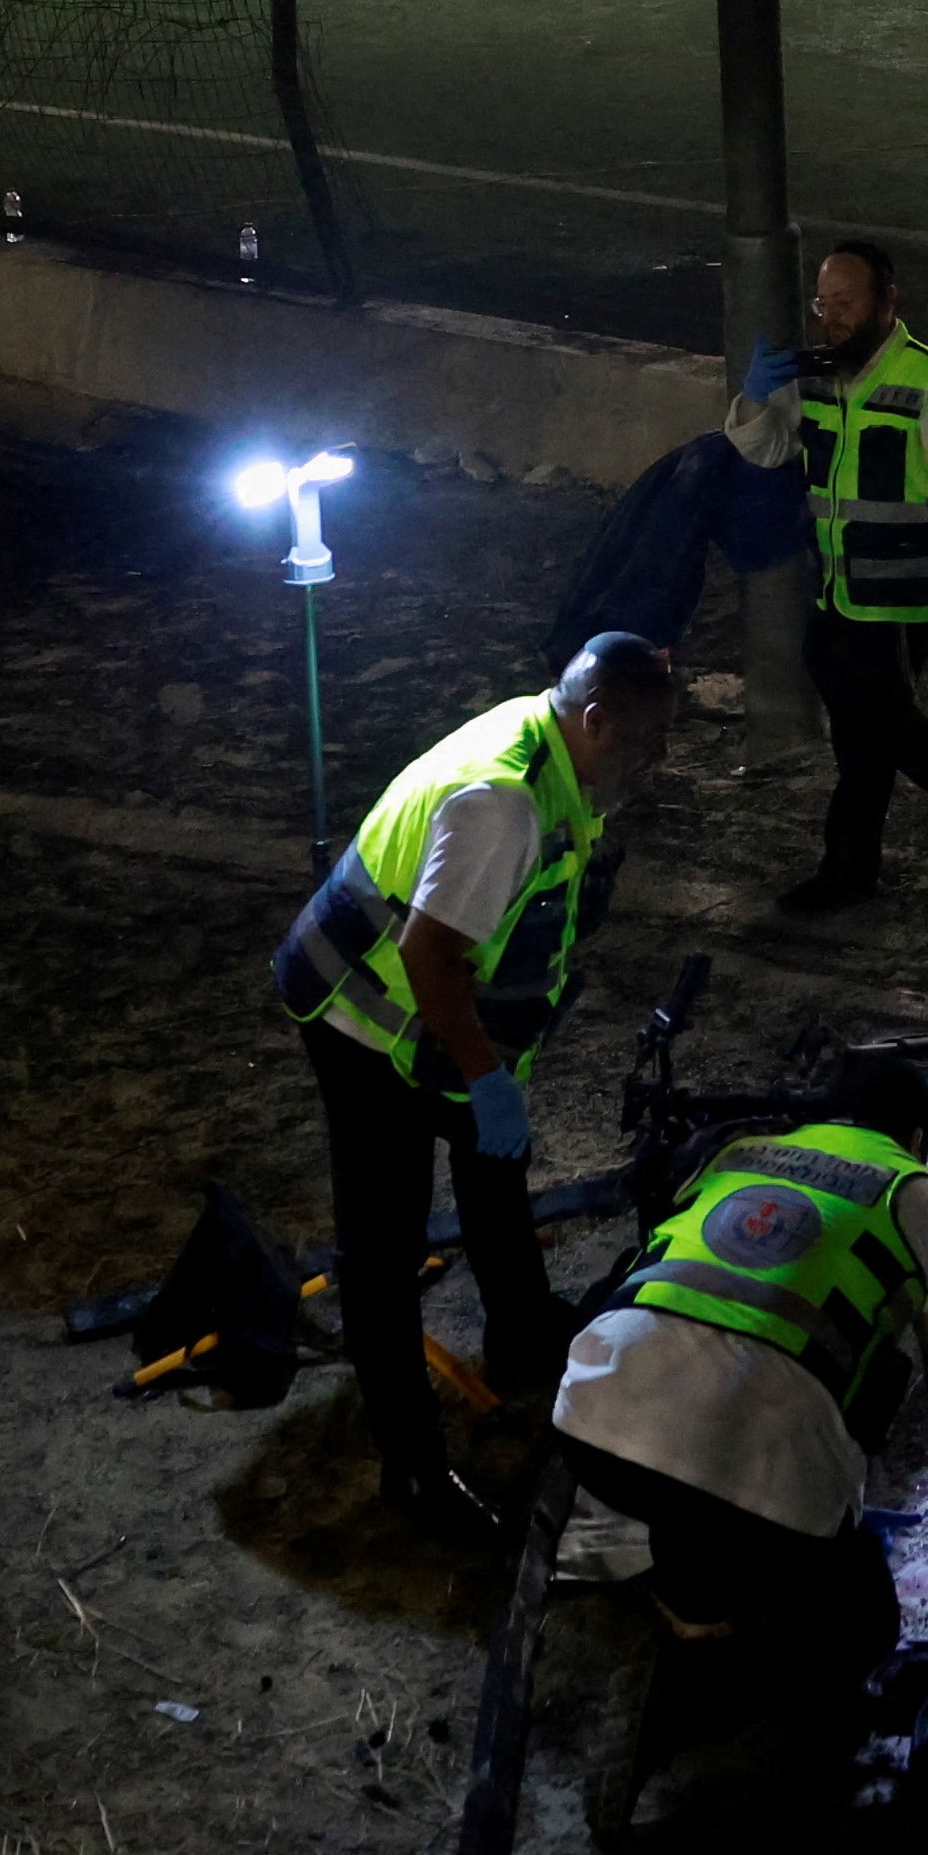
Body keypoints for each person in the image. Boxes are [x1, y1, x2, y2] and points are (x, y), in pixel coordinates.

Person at [270, 634, 680, 1547]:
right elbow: (428, 954)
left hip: (432, 1013)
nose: (661, 759)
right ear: (595, 720)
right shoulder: (502, 802)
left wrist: (489, 1081)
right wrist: (486, 1076)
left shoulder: (555, 753)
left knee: (495, 1161)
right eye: (649, 739)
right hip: (361, 1017)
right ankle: (410, 1466)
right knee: (381, 1246)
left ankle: (523, 1332)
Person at [554, 1051, 928, 1767]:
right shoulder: (927, 1201)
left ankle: (699, 1624)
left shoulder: (735, 1153)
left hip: (592, 1427)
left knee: (686, 1491)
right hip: (766, 1484)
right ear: (916, 1140)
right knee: (861, 1629)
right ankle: (810, 1750)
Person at [731, 240, 928, 913]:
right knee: (870, 727)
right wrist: (753, 400)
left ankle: (850, 870)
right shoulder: (814, 378)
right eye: (823, 304)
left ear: (885, 302)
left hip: (900, 596)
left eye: (846, 303)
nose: (832, 318)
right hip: (840, 588)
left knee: (865, 735)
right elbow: (765, 448)